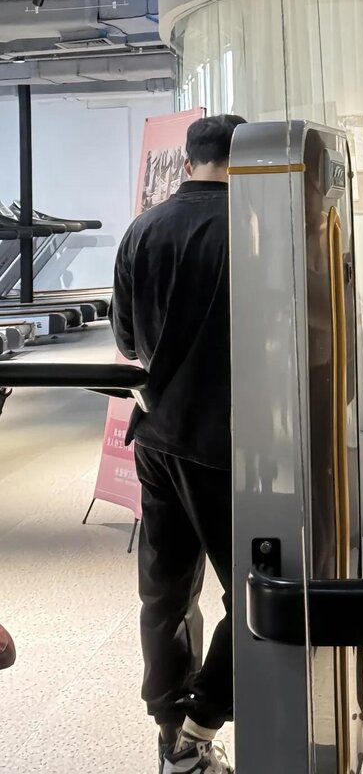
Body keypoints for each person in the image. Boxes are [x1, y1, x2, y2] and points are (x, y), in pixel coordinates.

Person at [112, 114, 246, 774]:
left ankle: (172, 738)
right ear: (240, 161)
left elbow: (126, 341)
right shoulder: (252, 227)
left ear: (189, 162)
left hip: (157, 436)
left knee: (165, 592)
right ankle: (202, 721)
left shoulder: (142, 229)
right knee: (258, 593)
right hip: (229, 444)